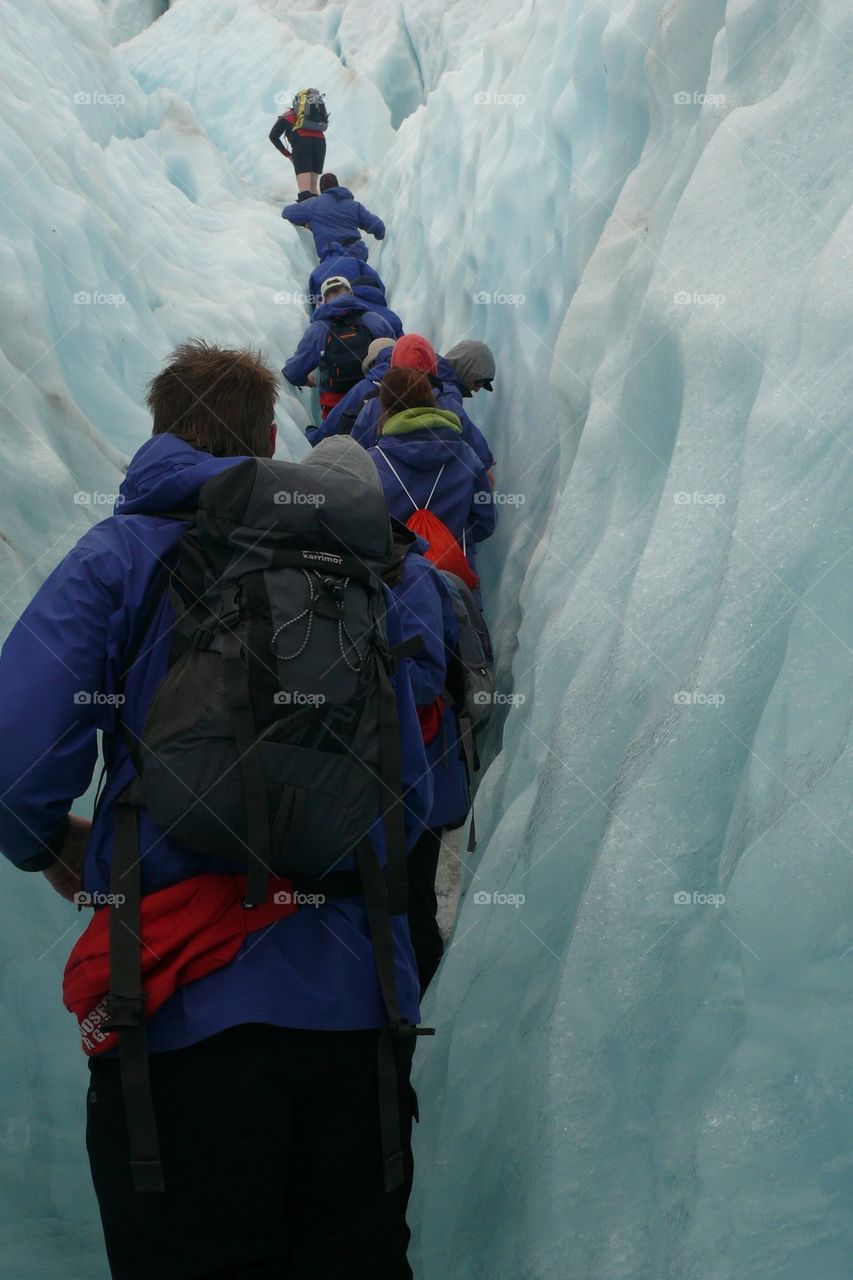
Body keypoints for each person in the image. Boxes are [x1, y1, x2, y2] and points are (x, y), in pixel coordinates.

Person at [0, 342, 432, 1280]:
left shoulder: (124, 554)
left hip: (179, 1022)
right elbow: (417, 797)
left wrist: (48, 845)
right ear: (269, 441)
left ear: (158, 436)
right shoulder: (355, 570)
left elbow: (14, 761)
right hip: (356, 1021)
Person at [383, 519, 471, 994]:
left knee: (412, 902)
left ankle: (420, 1022)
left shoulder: (411, 576)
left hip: (423, 774)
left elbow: (425, 678)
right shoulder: (388, 569)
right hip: (401, 773)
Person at [368, 366, 497, 586]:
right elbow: (485, 523)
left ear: (386, 409)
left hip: (394, 587)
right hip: (455, 580)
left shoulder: (371, 463)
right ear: (431, 400)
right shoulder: (467, 457)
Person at [352, 334, 495, 473]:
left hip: (388, 486)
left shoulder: (373, 405)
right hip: (440, 486)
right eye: (478, 383)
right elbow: (469, 436)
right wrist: (485, 464)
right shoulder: (448, 400)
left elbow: (355, 457)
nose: (476, 389)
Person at [282, 277, 397, 420]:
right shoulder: (375, 320)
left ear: (322, 301)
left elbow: (293, 372)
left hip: (335, 409)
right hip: (376, 404)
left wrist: (305, 380)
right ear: (351, 294)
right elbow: (395, 360)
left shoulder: (318, 330)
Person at [307, 336, 395, 446]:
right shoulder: (415, 382)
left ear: (372, 363)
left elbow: (333, 425)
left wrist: (312, 436)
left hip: (369, 456)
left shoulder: (365, 388)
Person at [282, 172, 386, 259]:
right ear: (337, 186)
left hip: (331, 256)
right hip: (357, 253)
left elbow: (287, 213)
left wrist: (305, 223)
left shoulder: (313, 204)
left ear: (321, 190)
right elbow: (378, 227)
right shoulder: (355, 206)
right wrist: (380, 235)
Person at [269, 88, 329, 198]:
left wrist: (288, 154)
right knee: (313, 186)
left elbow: (273, 136)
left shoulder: (288, 116)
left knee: (304, 189)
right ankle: (320, 212)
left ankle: (307, 212)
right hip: (320, 143)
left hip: (302, 143)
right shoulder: (315, 120)